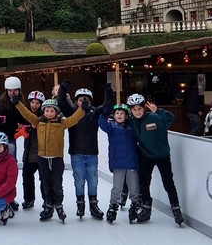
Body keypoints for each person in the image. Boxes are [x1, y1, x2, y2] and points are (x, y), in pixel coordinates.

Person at [16, 96, 86, 223]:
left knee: (57, 185)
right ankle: (48, 205)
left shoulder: (61, 123)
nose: (49, 113)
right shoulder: (38, 122)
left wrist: (82, 109)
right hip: (42, 158)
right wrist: (17, 103)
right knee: (46, 184)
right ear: (43, 111)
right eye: (46, 110)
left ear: (56, 112)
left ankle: (58, 205)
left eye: (52, 111)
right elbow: (26, 113)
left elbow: (75, 119)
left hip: (57, 159)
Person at [56, 80, 114, 220]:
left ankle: (94, 206)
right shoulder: (71, 112)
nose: (83, 101)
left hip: (92, 153)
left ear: (91, 101)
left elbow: (108, 106)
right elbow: (62, 102)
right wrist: (63, 88)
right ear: (76, 101)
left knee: (93, 181)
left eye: (86, 98)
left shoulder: (95, 112)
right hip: (76, 153)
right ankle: (80, 205)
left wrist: (107, 90)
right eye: (81, 99)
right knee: (79, 180)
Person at [127, 93, 184, 226]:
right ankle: (146, 207)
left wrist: (157, 110)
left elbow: (170, 119)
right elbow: (117, 117)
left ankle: (176, 208)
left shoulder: (153, 117)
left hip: (162, 156)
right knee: (144, 183)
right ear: (131, 110)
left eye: (139, 109)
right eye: (134, 110)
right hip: (145, 156)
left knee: (168, 183)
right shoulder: (131, 121)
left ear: (144, 108)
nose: (137, 112)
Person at [98, 103, 141, 224]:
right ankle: (113, 206)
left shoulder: (132, 127)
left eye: (122, 113)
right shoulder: (111, 127)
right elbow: (102, 123)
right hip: (118, 163)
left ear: (127, 115)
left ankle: (135, 205)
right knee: (117, 187)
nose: (119, 115)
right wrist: (104, 113)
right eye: (117, 113)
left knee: (134, 187)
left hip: (132, 162)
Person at [19, 90, 45, 210]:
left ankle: (47, 200)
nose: (34, 105)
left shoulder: (45, 116)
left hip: (41, 154)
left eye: (37, 103)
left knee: (44, 179)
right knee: (27, 178)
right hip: (28, 153)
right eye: (32, 102)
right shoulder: (25, 115)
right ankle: (29, 199)